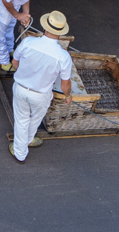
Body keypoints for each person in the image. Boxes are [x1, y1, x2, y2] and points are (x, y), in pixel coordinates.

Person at [7, 11, 74, 162]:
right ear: (61, 33)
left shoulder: (28, 42)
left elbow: (15, 63)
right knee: (35, 119)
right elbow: (65, 83)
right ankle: (25, 145)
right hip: (41, 95)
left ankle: (20, 151)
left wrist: (26, 73)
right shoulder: (63, 56)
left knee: (22, 120)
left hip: (21, 88)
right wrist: (68, 96)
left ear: (45, 27)